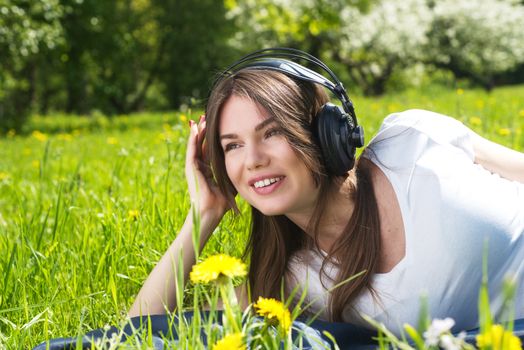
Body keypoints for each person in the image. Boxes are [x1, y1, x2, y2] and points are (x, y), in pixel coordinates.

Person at [128, 48, 524, 337]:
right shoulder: (294, 281)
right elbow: (141, 335)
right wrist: (201, 218)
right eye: (232, 145)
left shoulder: (413, 139)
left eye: (273, 133)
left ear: (324, 133)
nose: (252, 160)